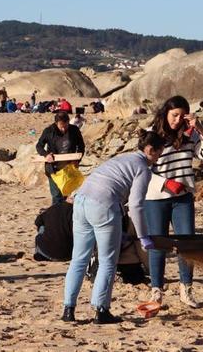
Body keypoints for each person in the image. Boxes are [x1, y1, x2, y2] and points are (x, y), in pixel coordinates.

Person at [61, 130, 165, 324]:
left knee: (79, 259)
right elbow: (136, 205)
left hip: (81, 201)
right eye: (159, 152)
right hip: (104, 206)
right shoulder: (143, 168)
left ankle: (68, 309)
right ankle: (101, 311)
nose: (159, 157)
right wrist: (143, 237)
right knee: (107, 261)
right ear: (151, 150)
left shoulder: (122, 158)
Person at [143, 95, 203, 308]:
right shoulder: (152, 133)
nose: (177, 120)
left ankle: (186, 289)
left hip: (182, 198)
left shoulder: (190, 134)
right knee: (158, 244)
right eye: (174, 115)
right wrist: (165, 183)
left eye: (181, 116)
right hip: (156, 198)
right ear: (165, 113)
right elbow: (143, 167)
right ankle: (156, 291)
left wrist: (201, 131)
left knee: (187, 244)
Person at [36, 112, 85, 206]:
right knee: (56, 195)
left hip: (69, 167)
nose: (63, 129)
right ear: (56, 123)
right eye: (61, 126)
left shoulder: (74, 130)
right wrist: (46, 155)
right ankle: (56, 213)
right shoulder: (48, 131)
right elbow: (39, 146)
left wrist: (77, 160)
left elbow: (81, 146)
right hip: (53, 168)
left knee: (66, 193)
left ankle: (64, 212)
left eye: (66, 126)